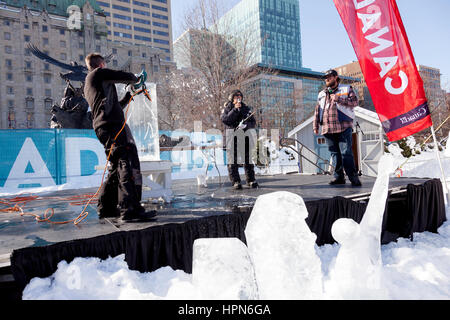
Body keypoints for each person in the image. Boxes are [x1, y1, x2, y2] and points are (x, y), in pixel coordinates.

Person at [84, 53, 155, 221]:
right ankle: (129, 208)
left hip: (104, 126)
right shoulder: (98, 73)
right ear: (101, 64)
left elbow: (114, 106)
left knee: (116, 165)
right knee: (125, 162)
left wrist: (128, 96)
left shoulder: (91, 84)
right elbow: (122, 76)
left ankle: (106, 207)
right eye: (105, 64)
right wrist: (135, 79)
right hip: (112, 125)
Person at [313, 69, 362, 187]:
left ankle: (353, 177)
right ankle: (338, 177)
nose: (327, 79)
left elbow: (355, 102)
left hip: (343, 126)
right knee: (335, 154)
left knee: (346, 153)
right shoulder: (321, 94)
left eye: (329, 77)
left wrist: (339, 99)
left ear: (335, 77)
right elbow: (317, 110)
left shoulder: (346, 89)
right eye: (325, 78)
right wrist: (315, 125)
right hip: (327, 128)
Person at [221, 89, 259, 190]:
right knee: (232, 162)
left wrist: (245, 126)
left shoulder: (246, 108)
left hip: (244, 138)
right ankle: (236, 181)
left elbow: (253, 122)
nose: (238, 99)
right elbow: (225, 120)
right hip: (231, 138)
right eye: (236, 97)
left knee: (248, 160)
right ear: (232, 98)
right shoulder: (227, 108)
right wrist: (234, 110)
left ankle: (251, 180)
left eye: (240, 97)